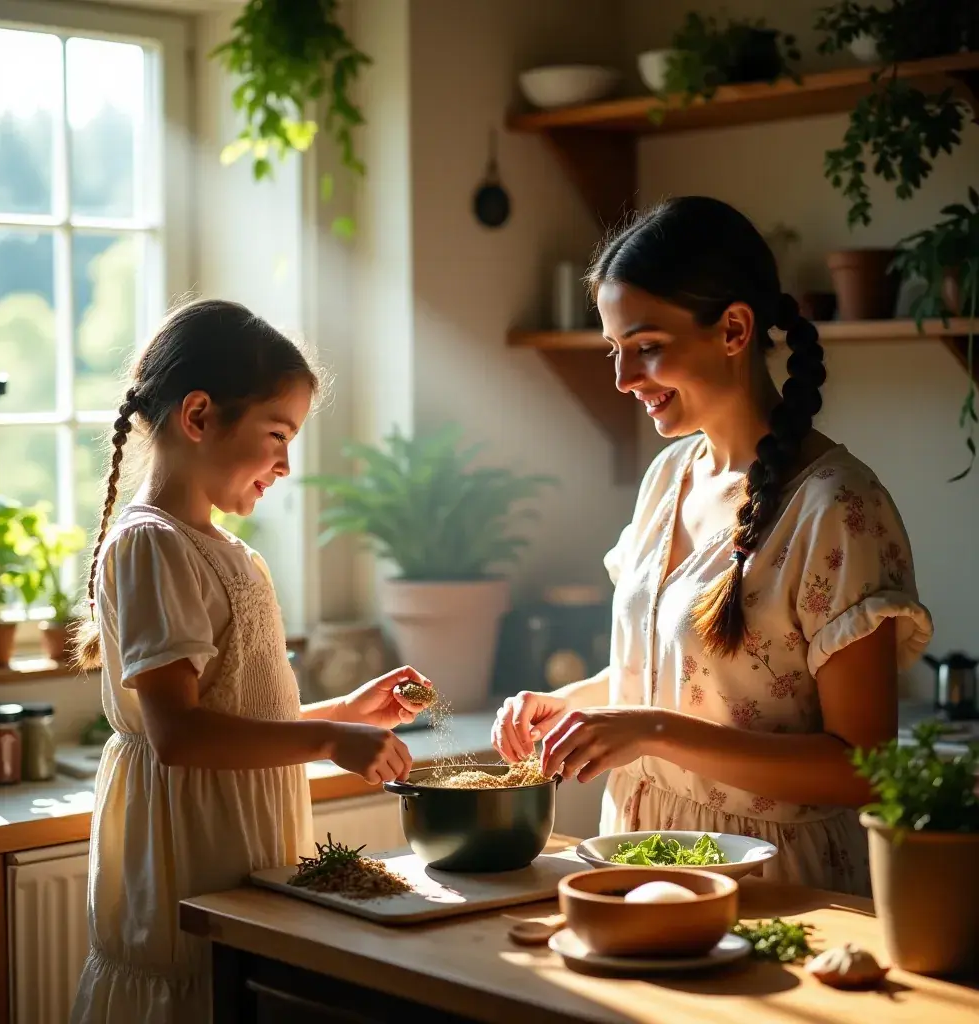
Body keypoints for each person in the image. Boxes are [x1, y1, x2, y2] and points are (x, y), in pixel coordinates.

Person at [492, 197, 933, 895]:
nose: (623, 380)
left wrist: (654, 731)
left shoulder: (837, 508)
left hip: (773, 879)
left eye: (646, 347)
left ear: (733, 329)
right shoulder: (668, 476)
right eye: (614, 351)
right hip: (636, 858)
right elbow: (676, 678)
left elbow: (863, 767)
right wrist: (570, 706)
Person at [70, 299, 429, 1023]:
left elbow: (237, 719)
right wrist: (329, 742)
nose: (287, 465)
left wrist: (343, 713)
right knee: (199, 993)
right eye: (276, 434)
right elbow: (180, 736)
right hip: (189, 855)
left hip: (237, 842)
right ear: (198, 416)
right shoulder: (152, 543)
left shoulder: (224, 549)